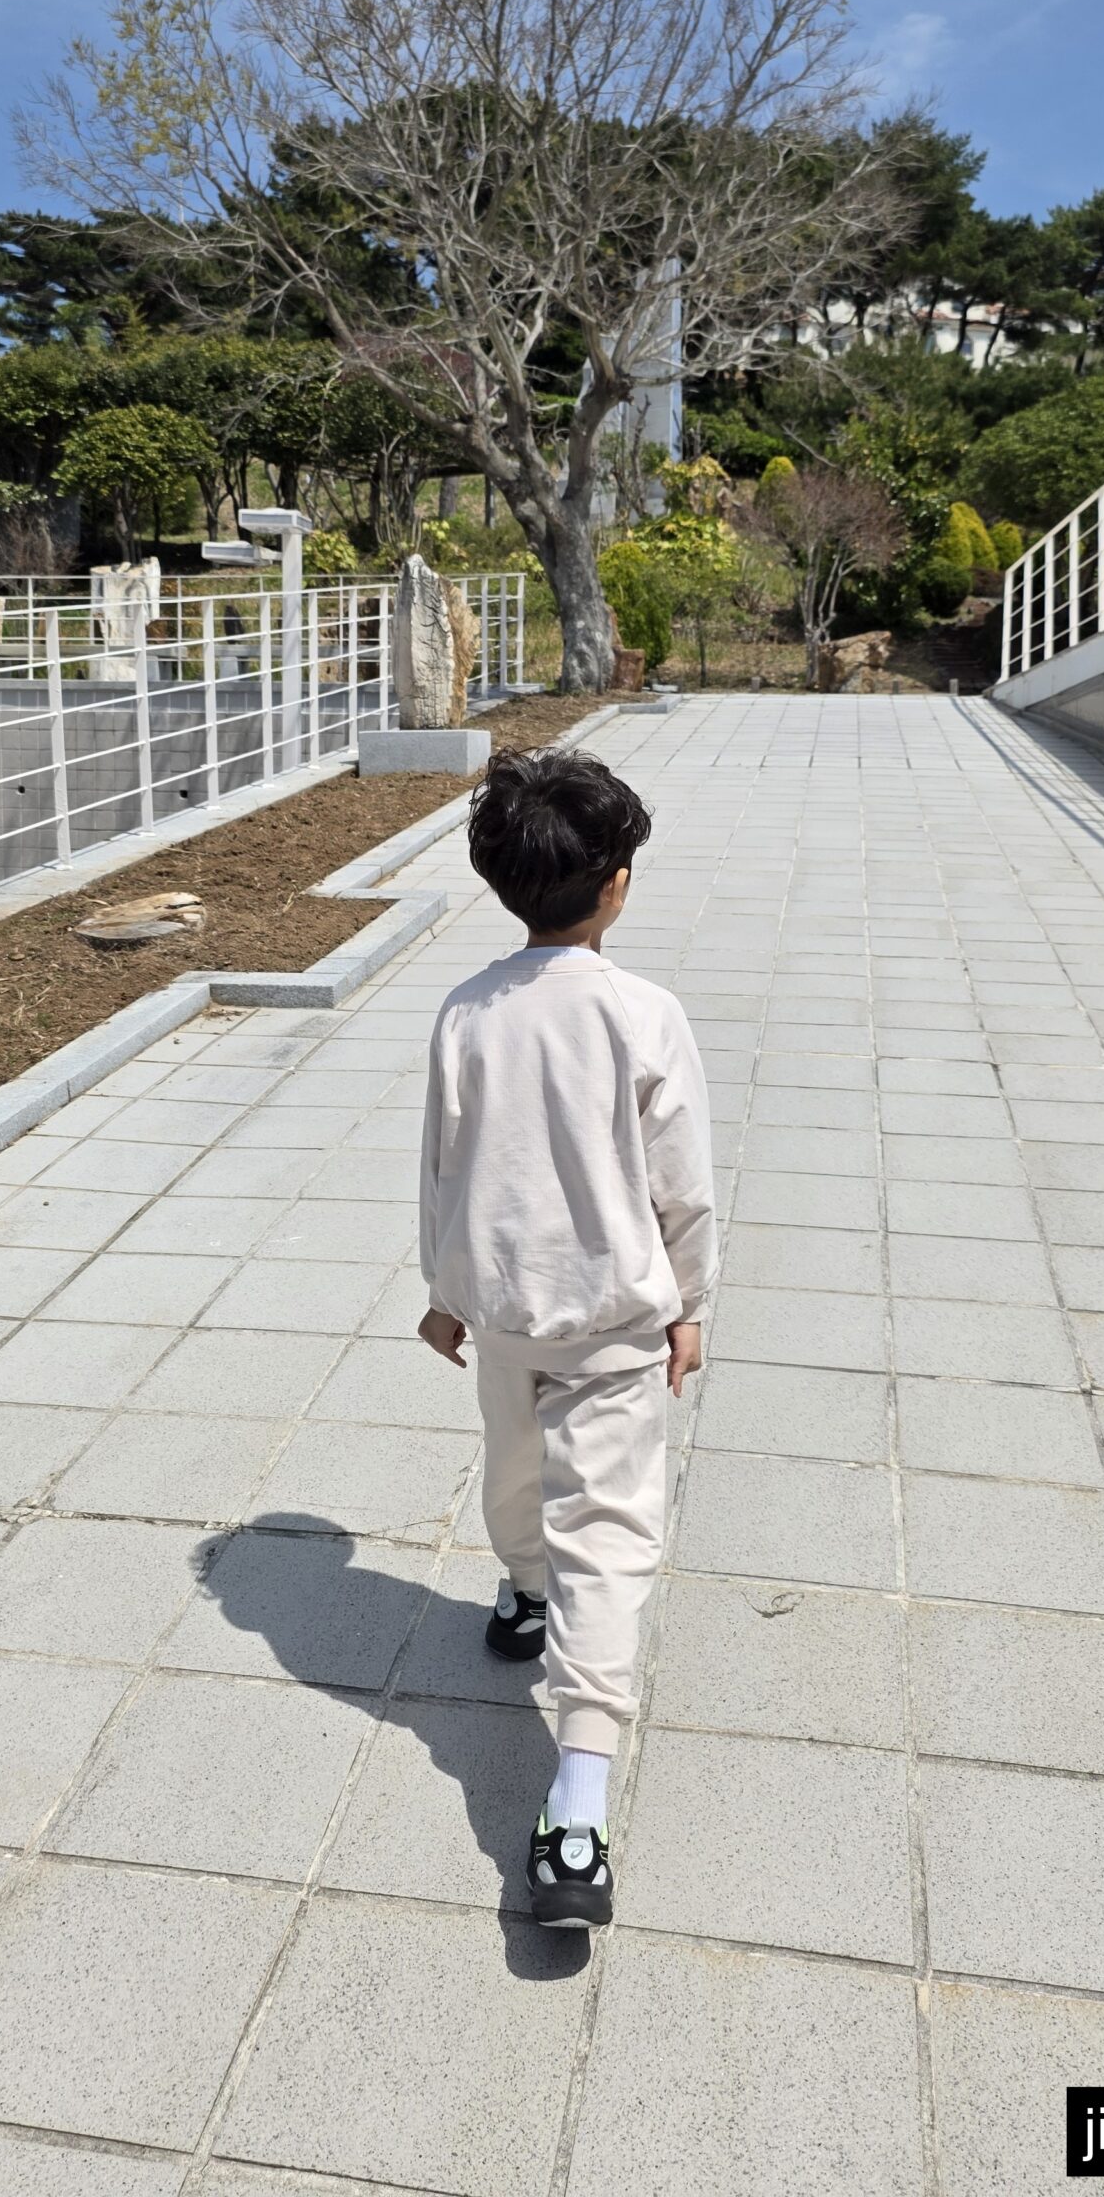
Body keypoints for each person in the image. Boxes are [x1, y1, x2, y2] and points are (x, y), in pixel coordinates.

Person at [418, 748, 717, 1927]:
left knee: (513, 1477)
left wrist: (444, 1286)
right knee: (611, 1529)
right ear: (619, 885)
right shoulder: (644, 1015)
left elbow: (443, 1167)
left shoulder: (466, 1012)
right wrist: (691, 1300)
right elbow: (682, 1182)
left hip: (500, 1307)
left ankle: (522, 1590)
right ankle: (576, 1807)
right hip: (615, 1317)